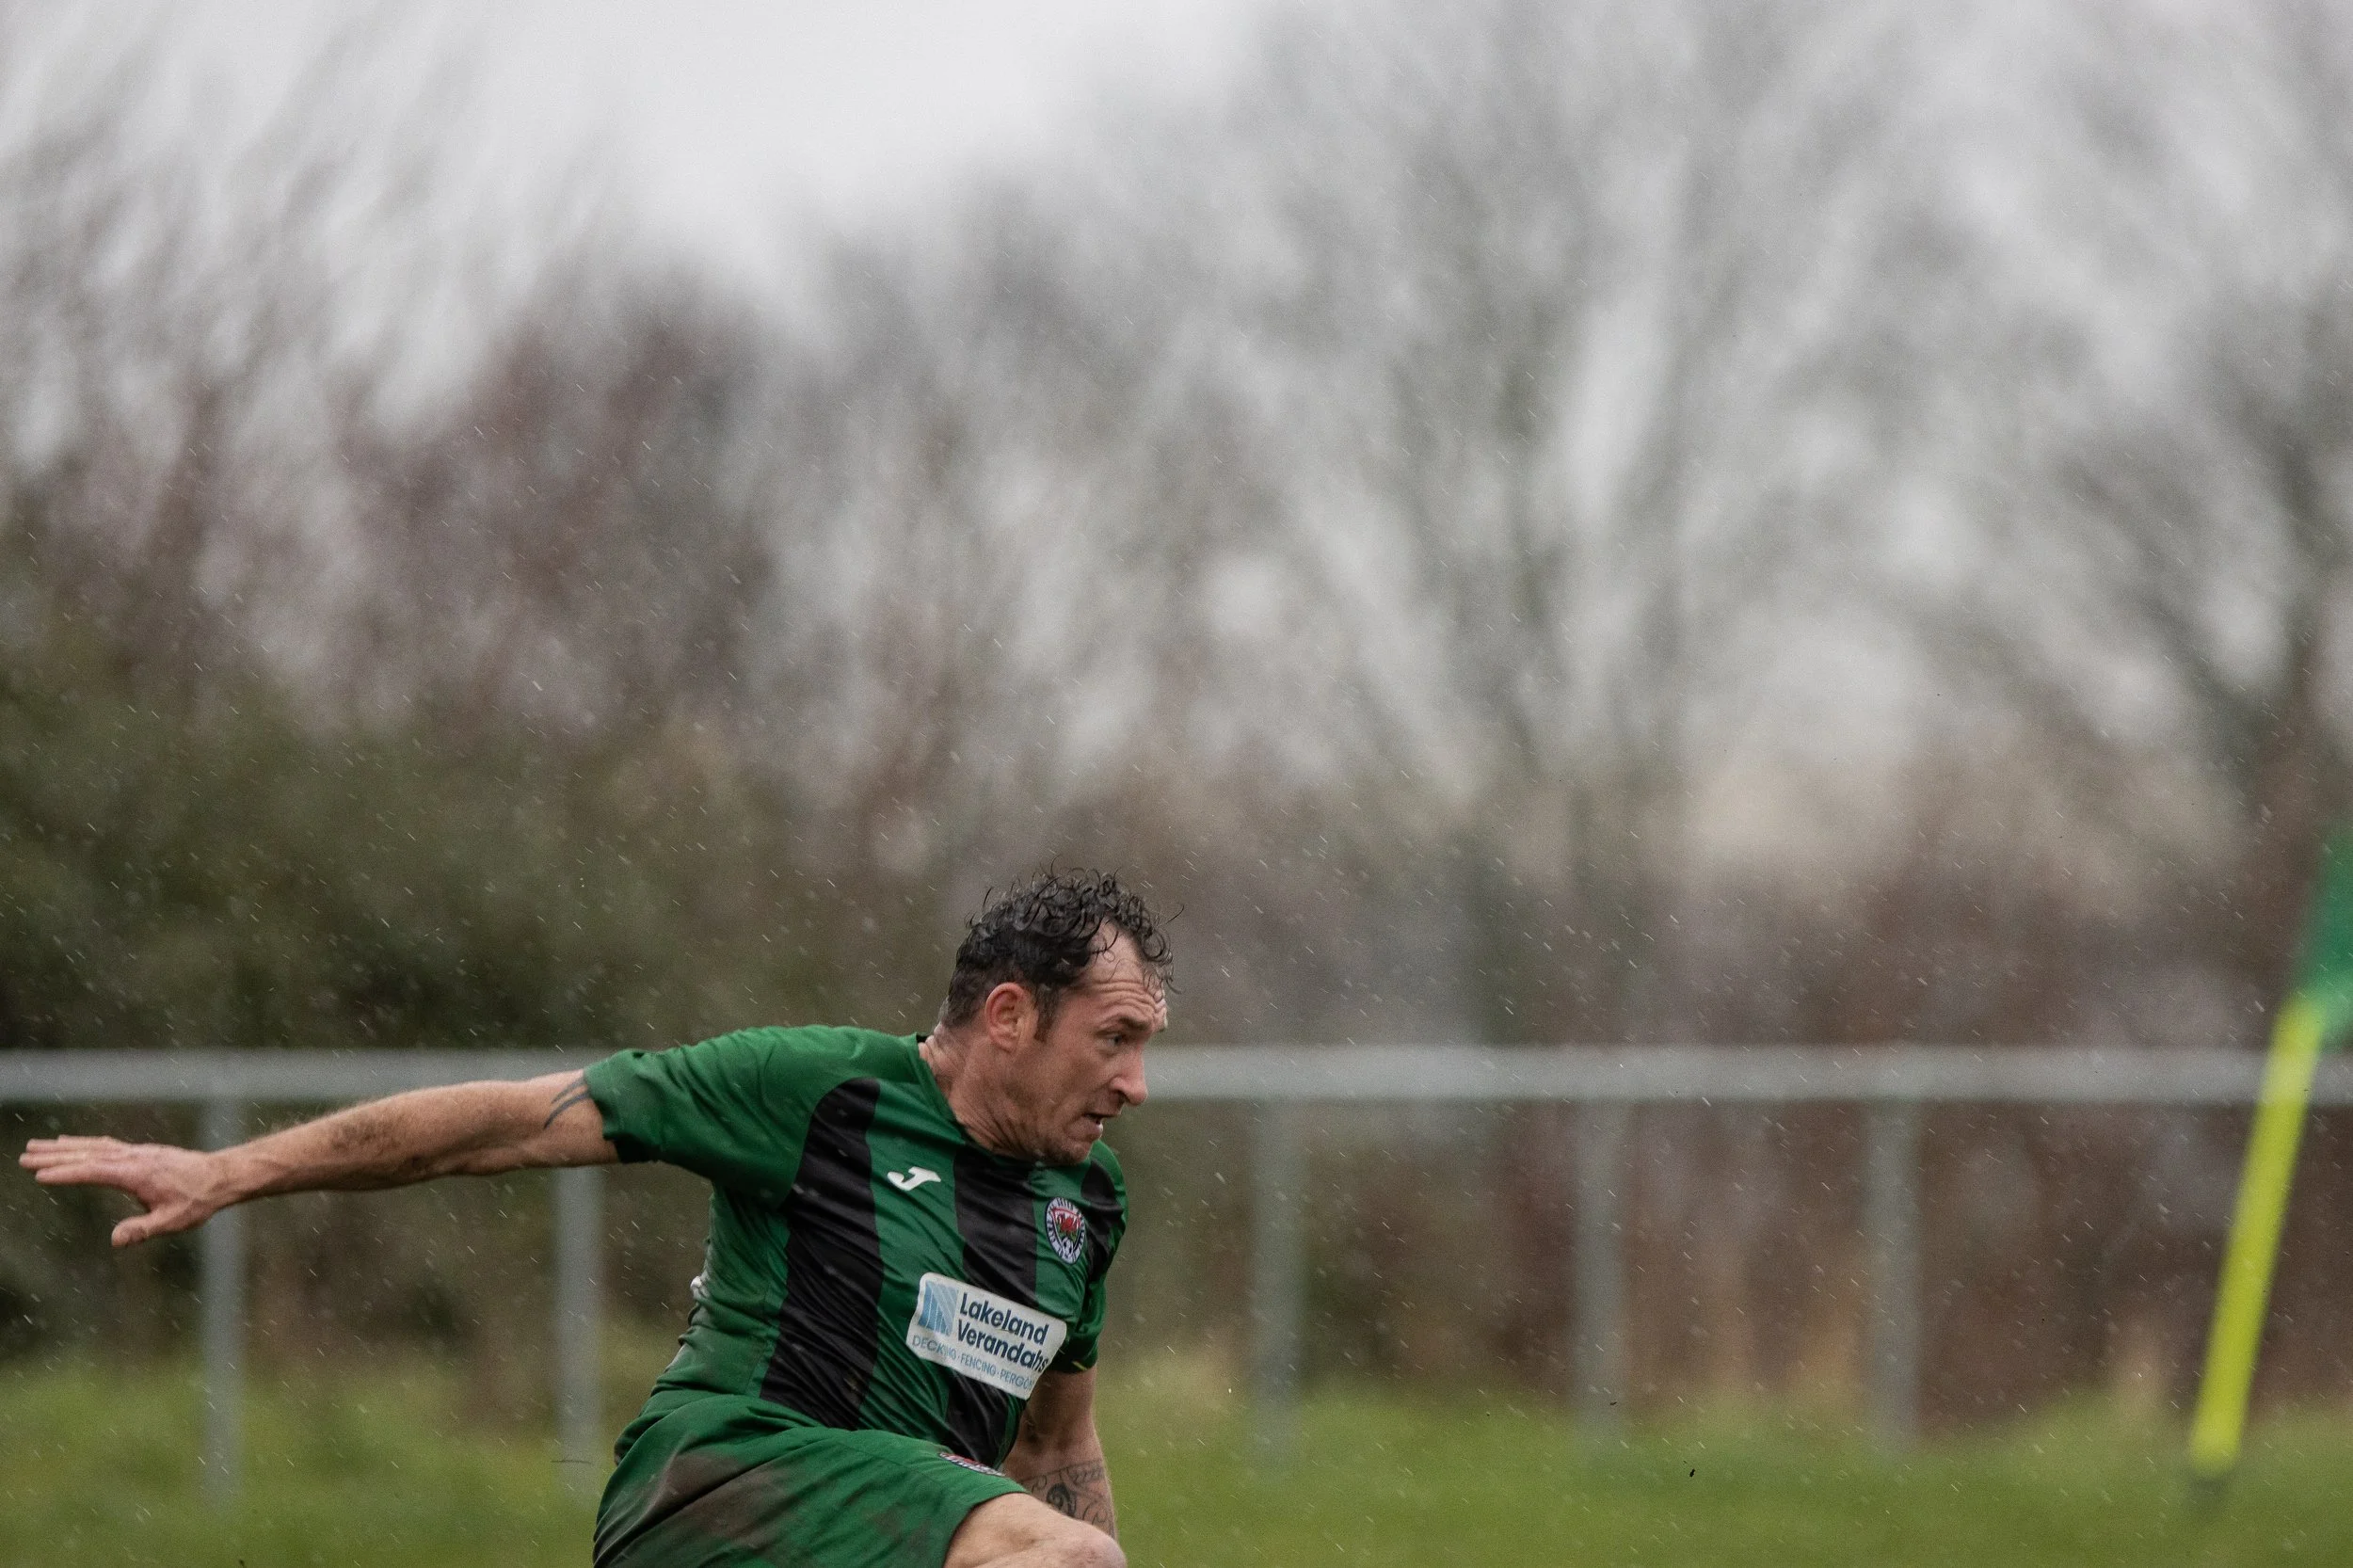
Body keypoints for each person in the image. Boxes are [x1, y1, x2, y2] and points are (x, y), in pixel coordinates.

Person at [21, 869, 1169, 1568]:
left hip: (880, 1536)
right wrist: (230, 1170)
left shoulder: (1084, 1204)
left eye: (1145, 1049)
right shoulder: (816, 1091)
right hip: (722, 1488)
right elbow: (509, 1124)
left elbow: (1056, 1448)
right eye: (1112, 1039)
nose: (1134, 1083)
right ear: (1009, 1015)